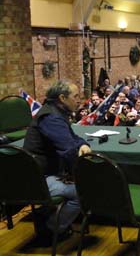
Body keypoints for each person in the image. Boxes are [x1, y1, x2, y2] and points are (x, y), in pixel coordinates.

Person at [23, 81, 92, 240]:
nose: (79, 100)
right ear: (62, 98)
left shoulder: (55, 112)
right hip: (40, 179)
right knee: (83, 192)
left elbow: (73, 138)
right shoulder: (51, 118)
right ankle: (50, 229)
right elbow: (69, 151)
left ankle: (49, 219)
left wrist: (83, 144)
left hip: (47, 172)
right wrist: (82, 174)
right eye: (75, 96)